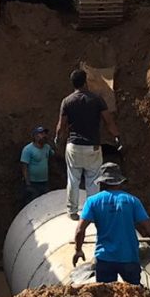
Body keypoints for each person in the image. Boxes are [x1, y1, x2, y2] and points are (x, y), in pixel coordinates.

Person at [71, 162, 150, 285]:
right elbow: (149, 228)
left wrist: (78, 250)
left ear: (102, 182)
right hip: (129, 257)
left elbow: (80, 230)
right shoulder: (132, 201)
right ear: (120, 181)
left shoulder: (92, 202)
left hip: (104, 258)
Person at [55, 68, 120, 220]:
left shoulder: (67, 101)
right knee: (93, 180)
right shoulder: (97, 100)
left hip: (74, 146)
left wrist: (58, 139)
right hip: (93, 147)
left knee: (73, 178)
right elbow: (108, 121)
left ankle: (72, 211)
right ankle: (93, 211)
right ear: (85, 82)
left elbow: (61, 125)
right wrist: (117, 136)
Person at [19, 125, 54, 205]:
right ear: (35, 136)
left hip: (44, 182)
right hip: (33, 183)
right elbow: (24, 167)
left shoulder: (47, 147)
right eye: (41, 134)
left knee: (45, 203)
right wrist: (27, 183)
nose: (44, 136)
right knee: (33, 203)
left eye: (45, 133)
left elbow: (52, 155)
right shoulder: (28, 149)